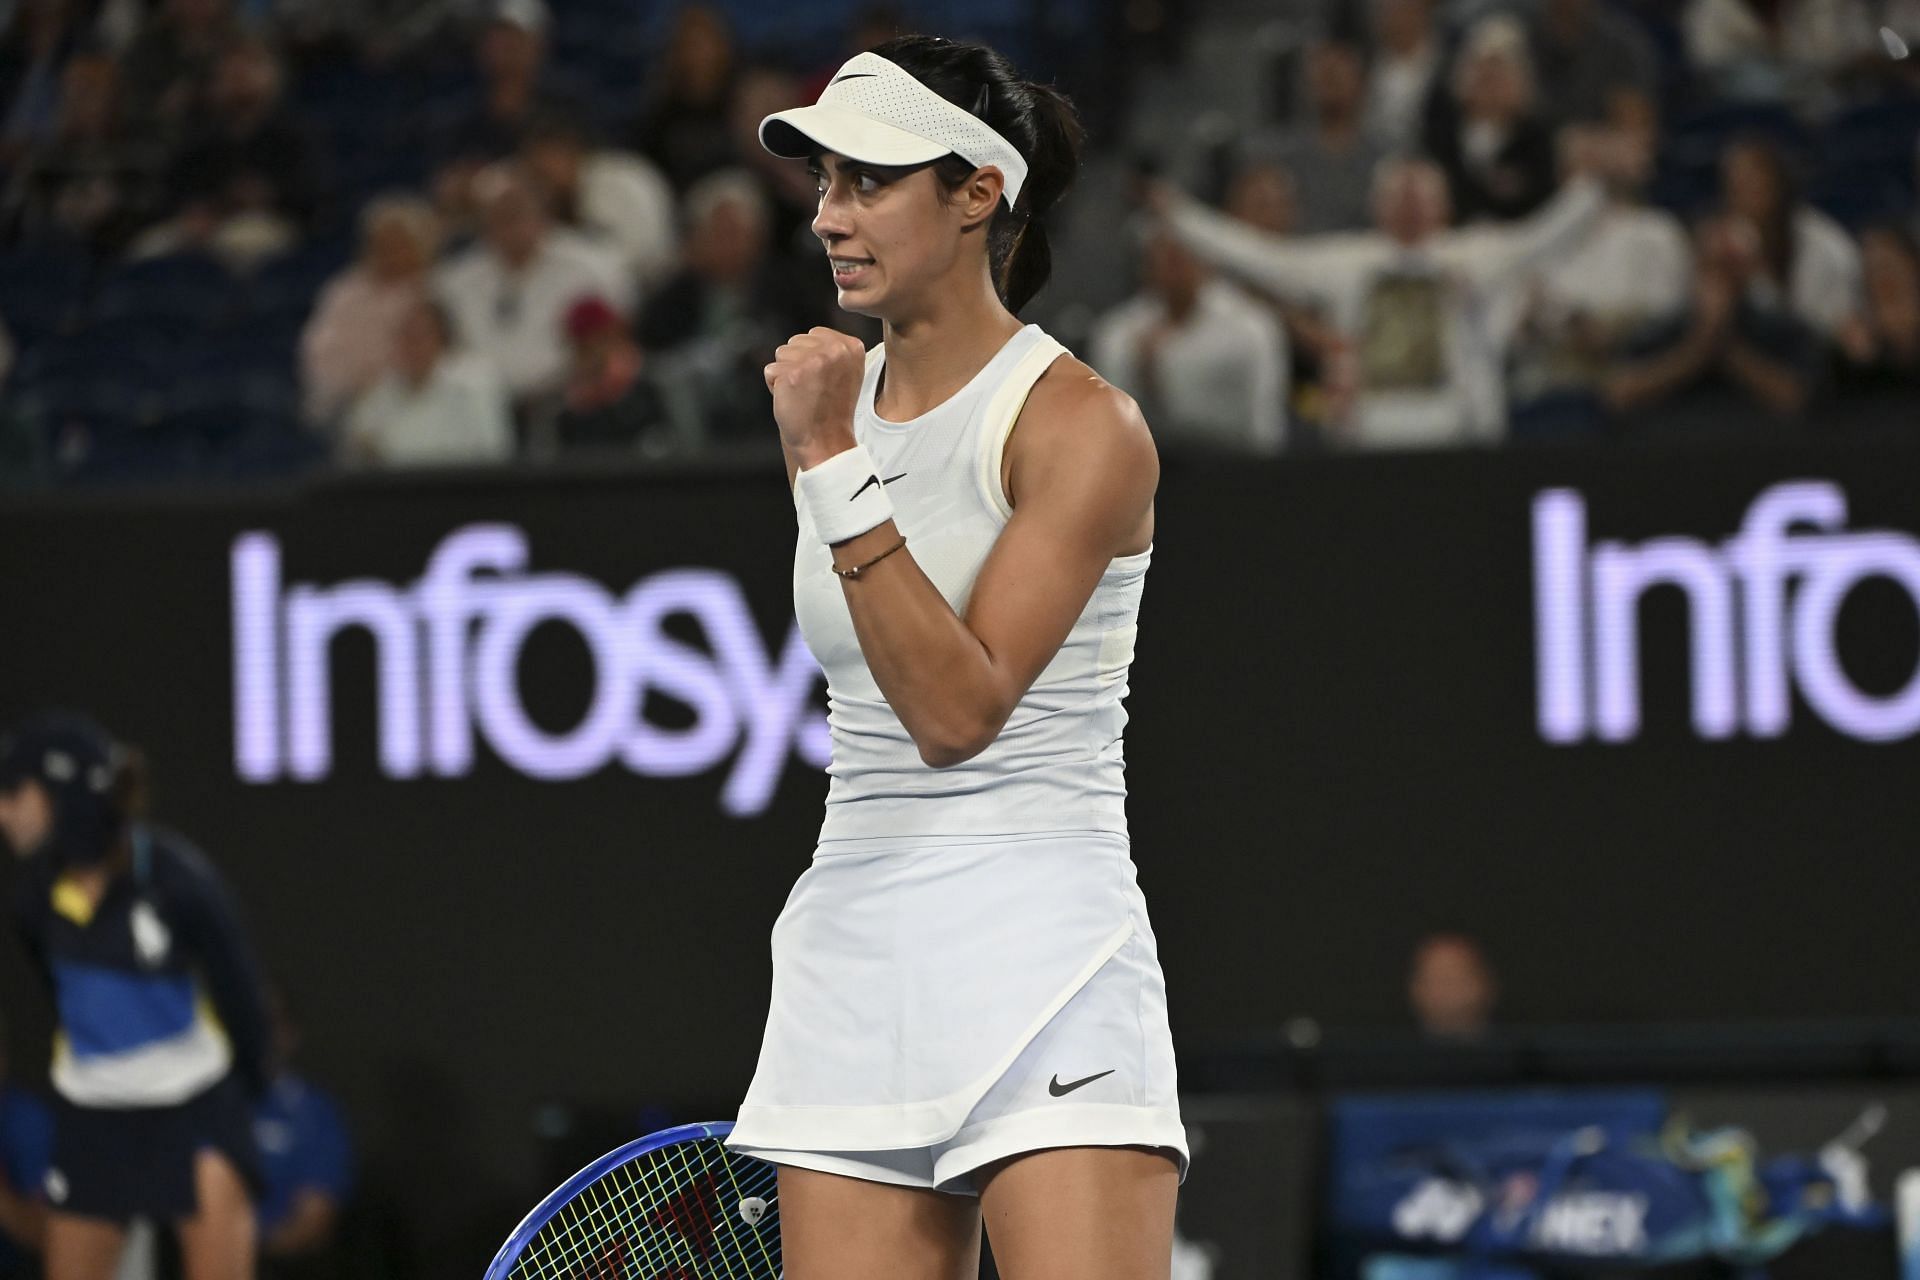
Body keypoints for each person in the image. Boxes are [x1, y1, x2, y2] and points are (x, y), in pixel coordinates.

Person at [727, 34, 1186, 1279]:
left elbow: (958, 707)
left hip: (1047, 947)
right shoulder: (833, 405)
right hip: (853, 953)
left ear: (979, 192)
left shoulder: (1084, 424)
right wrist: (830, 446)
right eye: (822, 184)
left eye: (869, 181)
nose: (831, 217)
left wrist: (829, 458)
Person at [0, 712, 270, 1280]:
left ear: (59, 793)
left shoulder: (178, 881)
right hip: (91, 1117)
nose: (3, 812)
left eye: (13, 793)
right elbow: (63, 998)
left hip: (194, 1107)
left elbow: (242, 996)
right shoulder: (32, 901)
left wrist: (248, 1096)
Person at [1155, 135, 1640, 448]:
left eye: (1420, 196)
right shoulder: (1347, 264)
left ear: (1443, 206)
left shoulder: (1474, 255)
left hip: (1455, 432)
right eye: (1398, 196)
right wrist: (1180, 215)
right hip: (1370, 434)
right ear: (1377, 206)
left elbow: (1544, 238)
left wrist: (1595, 188)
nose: (1409, 206)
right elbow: (1263, 257)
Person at [433, 161, 631, 411]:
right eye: (498, 216)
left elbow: (617, 343)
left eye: (517, 213)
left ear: (542, 213)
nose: (510, 226)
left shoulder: (593, 267)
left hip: (570, 405)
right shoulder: (454, 280)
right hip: (479, 409)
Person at [1602, 213, 1824, 433]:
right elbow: (1620, 395)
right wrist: (1696, 351)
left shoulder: (1781, 329)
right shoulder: (1661, 329)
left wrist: (1727, 345)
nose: (1719, 281)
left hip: (1757, 449)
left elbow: (1795, 399)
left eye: (1728, 269)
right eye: (1711, 267)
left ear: (1747, 272)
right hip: (1671, 449)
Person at [1091, 228, 1288, 454]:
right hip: (1154, 465)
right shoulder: (1119, 333)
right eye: (1166, 255)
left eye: (1183, 253)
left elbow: (1265, 423)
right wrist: (1146, 375)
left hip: (1233, 463)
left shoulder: (1251, 326)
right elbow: (1111, 431)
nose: (1176, 264)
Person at [299, 195, 442, 425]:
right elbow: (319, 354)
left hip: (421, 402)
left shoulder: (437, 292)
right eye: (382, 245)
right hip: (347, 405)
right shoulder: (344, 293)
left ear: (422, 247)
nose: (392, 253)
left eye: (400, 244)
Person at [342, 296, 514, 466]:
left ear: (443, 338)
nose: (413, 344)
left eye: (422, 335)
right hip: (396, 488)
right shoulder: (380, 391)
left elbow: (495, 452)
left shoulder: (477, 382)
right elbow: (357, 450)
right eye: (405, 335)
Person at [519, 113, 677, 293]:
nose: (539, 178)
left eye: (543, 169)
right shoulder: (561, 196)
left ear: (568, 152)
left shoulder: (619, 182)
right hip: (601, 287)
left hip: (650, 286)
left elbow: (639, 258)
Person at [1422, 15, 1559, 224]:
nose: (1489, 85)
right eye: (1481, 73)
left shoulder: (1536, 139)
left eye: (1498, 74)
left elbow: (1544, 203)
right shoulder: (1441, 133)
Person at [254, 991, 352, 1267]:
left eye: (270, 1022)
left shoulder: (313, 1112)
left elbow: (314, 1221)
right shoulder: (196, 1108)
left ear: (291, 1034)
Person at [1408, 933, 1499, 1042]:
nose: (1445, 990)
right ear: (1415, 988)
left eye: (1456, 978)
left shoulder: (1518, 1054)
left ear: (1486, 983)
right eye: (1435, 979)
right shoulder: (1396, 1052)